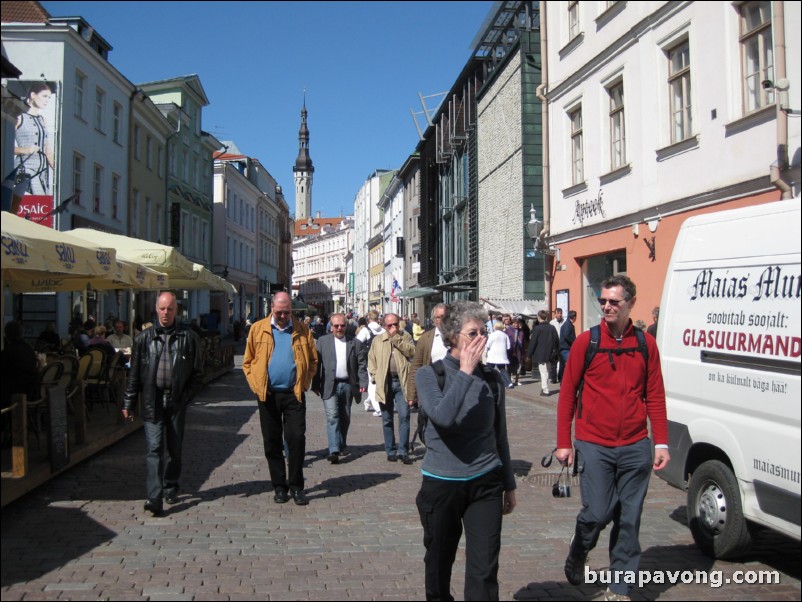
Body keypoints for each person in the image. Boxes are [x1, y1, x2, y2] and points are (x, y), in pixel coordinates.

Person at [556, 275, 669, 601]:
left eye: (613, 302)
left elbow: (656, 396)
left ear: (630, 304)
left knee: (629, 520)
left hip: (635, 446)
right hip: (594, 444)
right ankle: (581, 547)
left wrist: (660, 441)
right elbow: (567, 395)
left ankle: (620, 588)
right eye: (602, 301)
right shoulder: (586, 342)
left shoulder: (645, 345)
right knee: (597, 512)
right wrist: (565, 441)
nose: (605, 306)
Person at [414, 300, 517, 601]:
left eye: (483, 332)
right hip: (442, 484)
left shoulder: (493, 380)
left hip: (485, 483)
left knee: (484, 570)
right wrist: (465, 371)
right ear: (452, 336)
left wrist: (508, 484)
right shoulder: (429, 376)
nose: (480, 339)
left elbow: (501, 435)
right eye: (472, 333)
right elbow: (444, 417)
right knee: (438, 564)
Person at [122, 292, 204, 516]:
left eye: (170, 309)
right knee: (154, 449)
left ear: (176, 310)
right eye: (162, 309)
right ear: (156, 310)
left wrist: (185, 397)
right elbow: (135, 375)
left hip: (177, 402)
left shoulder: (188, 337)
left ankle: (170, 484)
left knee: (174, 451)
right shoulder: (144, 339)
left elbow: (198, 373)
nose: (166, 313)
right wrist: (128, 401)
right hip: (153, 401)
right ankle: (154, 497)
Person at [243, 292, 318, 505]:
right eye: (279, 312)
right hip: (267, 393)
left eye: (287, 312)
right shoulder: (258, 329)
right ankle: (279, 486)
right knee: (272, 441)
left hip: (294, 394)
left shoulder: (302, 330)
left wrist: (305, 383)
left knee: (296, 439)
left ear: (291, 310)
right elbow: (247, 362)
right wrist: (255, 384)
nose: (283, 316)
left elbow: (313, 360)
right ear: (272, 309)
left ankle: (296, 486)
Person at [312, 313, 368, 464]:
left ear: (346, 326)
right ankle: (333, 449)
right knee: (332, 416)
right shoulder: (323, 342)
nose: (339, 328)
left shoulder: (354, 342)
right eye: (336, 326)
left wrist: (363, 383)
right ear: (330, 327)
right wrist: (315, 384)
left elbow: (362, 364)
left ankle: (342, 444)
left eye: (342, 325)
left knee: (345, 416)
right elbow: (316, 365)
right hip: (329, 384)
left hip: (348, 384)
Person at [367, 312, 416, 464]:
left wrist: (396, 338)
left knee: (404, 416)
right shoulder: (378, 340)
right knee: (387, 418)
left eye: (396, 324)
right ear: (384, 325)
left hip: (402, 382)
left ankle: (403, 451)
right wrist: (375, 376)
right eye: (390, 325)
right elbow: (371, 360)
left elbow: (411, 352)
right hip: (385, 382)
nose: (393, 327)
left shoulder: (405, 336)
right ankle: (391, 450)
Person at [408, 304, 449, 446]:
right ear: (433, 320)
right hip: (432, 388)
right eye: (438, 317)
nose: (441, 320)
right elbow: (416, 366)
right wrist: (411, 394)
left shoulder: (459, 336)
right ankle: (433, 447)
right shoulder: (426, 338)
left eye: (444, 317)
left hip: (453, 387)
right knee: (430, 422)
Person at [14, 82, 55, 196]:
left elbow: (49, 152)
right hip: (24, 170)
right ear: (33, 95)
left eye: (49, 97)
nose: (47, 100)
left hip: (42, 173)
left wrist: (58, 171)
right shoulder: (19, 117)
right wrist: (25, 150)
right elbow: (5, 146)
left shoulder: (43, 120)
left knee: (42, 206)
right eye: (44, 96)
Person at [1, 321, 40, 410]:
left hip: (13, 394)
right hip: (32, 392)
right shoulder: (29, 350)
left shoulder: (8, 352)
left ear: (7, 336)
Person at [356, 310, 385, 415]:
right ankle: (369, 402)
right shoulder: (383, 330)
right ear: (378, 319)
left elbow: (357, 343)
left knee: (372, 384)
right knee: (378, 382)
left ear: (368, 318)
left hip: (369, 360)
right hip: (382, 359)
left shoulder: (365, 330)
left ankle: (378, 408)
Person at [528, 310, 559, 396]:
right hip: (550, 353)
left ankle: (545, 389)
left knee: (543, 371)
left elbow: (533, 342)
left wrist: (529, 354)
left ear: (538, 317)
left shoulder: (537, 328)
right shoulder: (552, 328)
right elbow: (556, 340)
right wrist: (556, 351)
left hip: (541, 353)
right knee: (548, 371)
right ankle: (545, 387)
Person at [485, 321, 512, 389]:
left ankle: (487, 381)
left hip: (493, 355)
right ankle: (509, 383)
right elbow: (508, 346)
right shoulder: (505, 335)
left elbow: (488, 345)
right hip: (502, 355)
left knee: (489, 369)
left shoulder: (492, 334)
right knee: (502, 369)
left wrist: (486, 351)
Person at [558, 311, 577, 384]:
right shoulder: (567, 325)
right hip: (565, 348)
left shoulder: (568, 324)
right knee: (569, 364)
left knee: (563, 366)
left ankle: (562, 380)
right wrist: (574, 342)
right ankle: (564, 381)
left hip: (565, 348)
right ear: (574, 317)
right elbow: (567, 336)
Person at [549, 308, 565, 383]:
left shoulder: (564, 322)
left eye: (561, 313)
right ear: (555, 314)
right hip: (554, 344)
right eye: (558, 313)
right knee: (554, 362)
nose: (560, 314)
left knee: (562, 361)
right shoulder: (552, 323)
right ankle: (553, 378)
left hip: (562, 343)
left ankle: (560, 377)